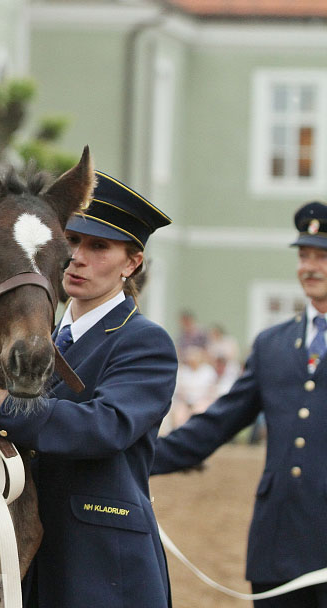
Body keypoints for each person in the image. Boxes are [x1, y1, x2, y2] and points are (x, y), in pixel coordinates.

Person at [0, 171, 176, 608]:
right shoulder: (27, 334)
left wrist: (1, 407)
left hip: (101, 565)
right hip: (18, 555)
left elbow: (106, 426)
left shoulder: (144, 342)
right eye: (70, 240)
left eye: (98, 246)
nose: (77, 258)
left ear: (132, 263)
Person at [153, 201, 327, 608]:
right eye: (304, 255)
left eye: (322, 256)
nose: (310, 266)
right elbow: (216, 424)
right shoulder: (273, 345)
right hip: (278, 546)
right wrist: (139, 457)